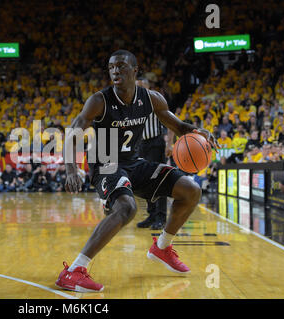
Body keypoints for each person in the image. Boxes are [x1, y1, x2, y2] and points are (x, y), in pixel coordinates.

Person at [55, 50, 218, 292]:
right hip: (106, 162)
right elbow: (74, 131)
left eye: (121, 66)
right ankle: (74, 271)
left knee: (191, 190)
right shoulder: (99, 100)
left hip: (135, 162)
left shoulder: (152, 98)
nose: (115, 71)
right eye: (111, 67)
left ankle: (162, 247)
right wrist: (71, 170)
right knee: (127, 208)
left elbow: (179, 126)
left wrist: (198, 131)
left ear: (135, 70)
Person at [135, 77, 168, 230]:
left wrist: (169, 144)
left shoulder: (155, 99)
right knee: (144, 181)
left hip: (155, 143)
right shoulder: (132, 103)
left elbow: (171, 122)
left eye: (140, 86)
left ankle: (161, 217)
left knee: (158, 180)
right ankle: (152, 214)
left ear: (147, 87)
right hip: (141, 145)